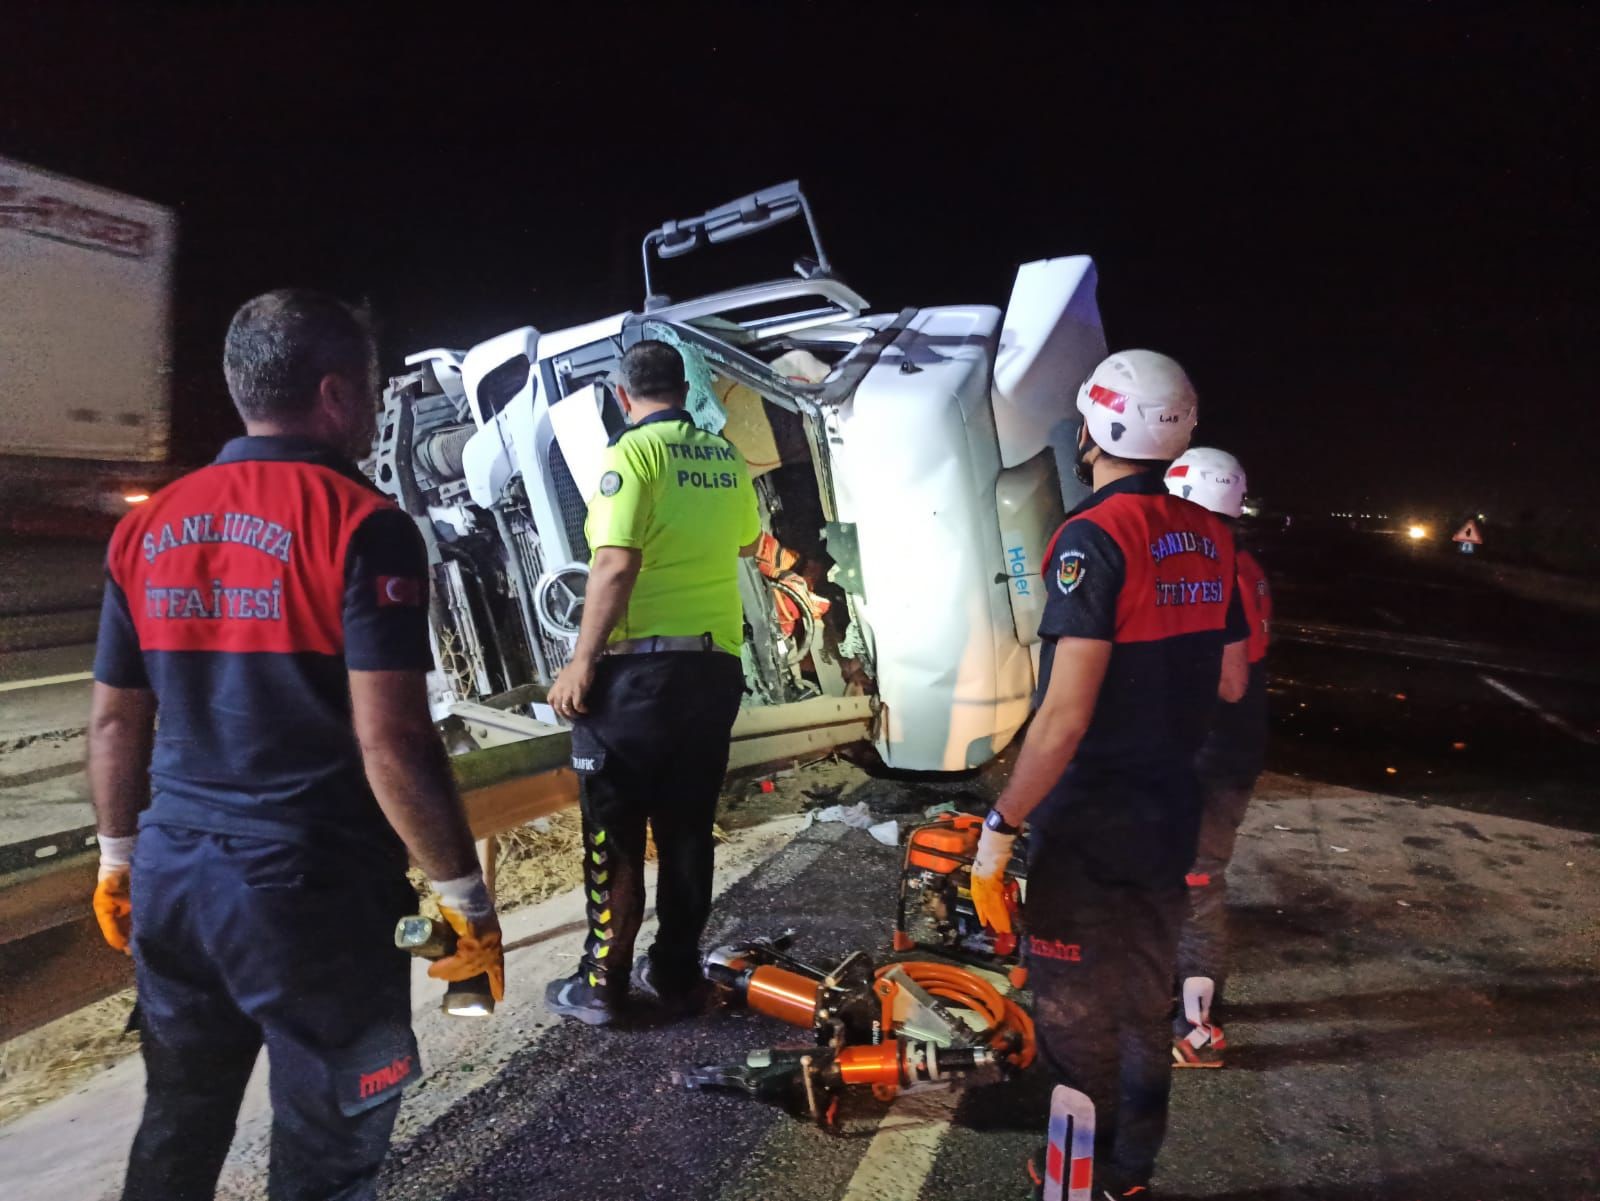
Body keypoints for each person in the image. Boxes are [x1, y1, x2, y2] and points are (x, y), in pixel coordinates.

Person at [89, 289, 503, 1201]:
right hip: (311, 898)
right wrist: (464, 897)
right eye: (368, 383)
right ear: (334, 394)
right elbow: (392, 741)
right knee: (329, 1148)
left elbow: (118, 720)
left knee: (179, 1119)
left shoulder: (146, 526)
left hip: (175, 884)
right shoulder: (364, 524)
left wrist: (119, 860)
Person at [969, 350, 1249, 1200]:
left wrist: (1002, 823)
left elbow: (1064, 716)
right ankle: (1128, 1173)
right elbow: (1233, 680)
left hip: (1094, 819)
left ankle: (1068, 1180)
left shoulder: (1090, 537)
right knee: (1142, 1000)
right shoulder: (1213, 535)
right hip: (1173, 807)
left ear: (1093, 427)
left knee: (1072, 1020)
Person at [544, 340, 759, 1026]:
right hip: (714, 669)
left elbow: (613, 562)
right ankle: (676, 974)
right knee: (688, 829)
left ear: (620, 394)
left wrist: (583, 659)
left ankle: (603, 982)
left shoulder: (631, 454)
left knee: (616, 830)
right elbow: (748, 540)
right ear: (685, 388)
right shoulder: (725, 457)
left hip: (638, 677)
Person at [1162, 448, 1272, 1068]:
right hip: (1234, 747)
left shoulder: (1206, 567)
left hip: (1203, 752)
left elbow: (1214, 676)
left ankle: (1200, 1030)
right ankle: (1180, 1000)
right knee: (1191, 879)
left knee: (1196, 883)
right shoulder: (1248, 562)